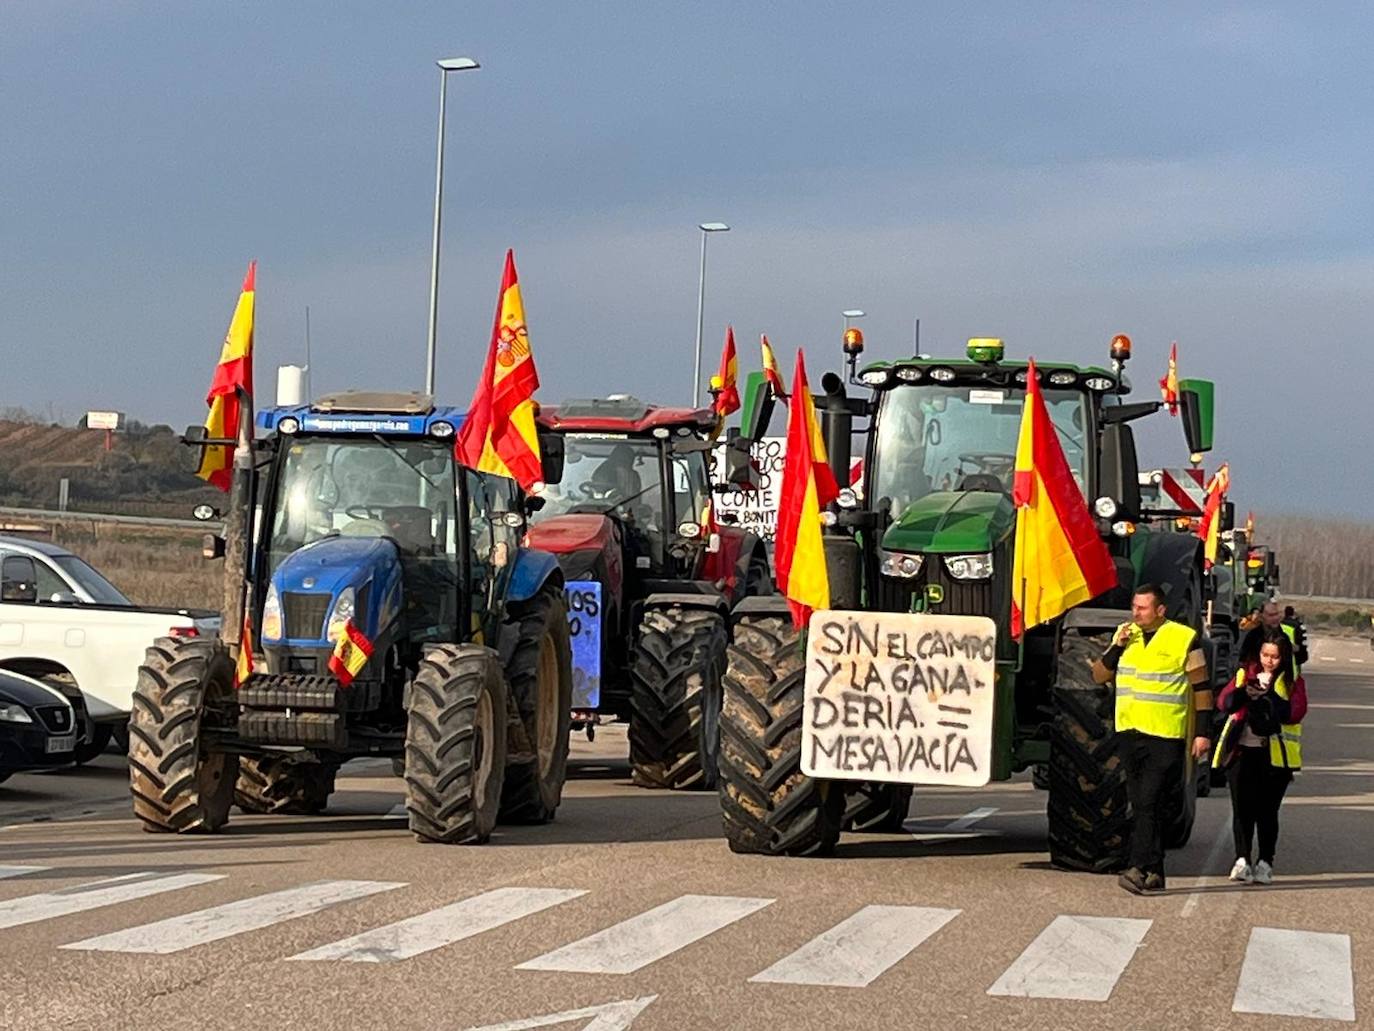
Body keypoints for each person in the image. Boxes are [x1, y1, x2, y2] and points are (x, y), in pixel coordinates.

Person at [1093, 584, 1212, 895]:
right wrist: (1116, 647)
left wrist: (1202, 732)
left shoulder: (1183, 638)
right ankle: (1155, 871)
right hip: (1130, 732)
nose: (1135, 613)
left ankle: (1136, 866)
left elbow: (1202, 689)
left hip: (1166, 735)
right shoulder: (1124, 634)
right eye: (1134, 606)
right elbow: (1098, 676)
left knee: (1147, 801)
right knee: (1145, 804)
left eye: (1142, 608)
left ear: (1160, 611)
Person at [1213, 631, 1306, 885]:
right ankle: (1241, 859)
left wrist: (1269, 697)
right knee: (1242, 810)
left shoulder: (1292, 681)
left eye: (1275, 657)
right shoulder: (1245, 674)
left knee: (1267, 812)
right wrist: (1246, 693)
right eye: (1265, 655)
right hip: (1242, 752)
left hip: (1275, 758)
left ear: (1284, 658)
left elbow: (1295, 711)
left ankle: (1265, 862)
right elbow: (1224, 702)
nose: (1269, 661)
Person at [1239, 600, 1303, 678]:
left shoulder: (1284, 638)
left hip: (1279, 684)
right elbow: (1243, 661)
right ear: (1261, 616)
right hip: (1256, 683)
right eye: (1271, 615)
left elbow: (1289, 665)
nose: (1275, 618)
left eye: (1276, 614)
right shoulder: (1252, 637)